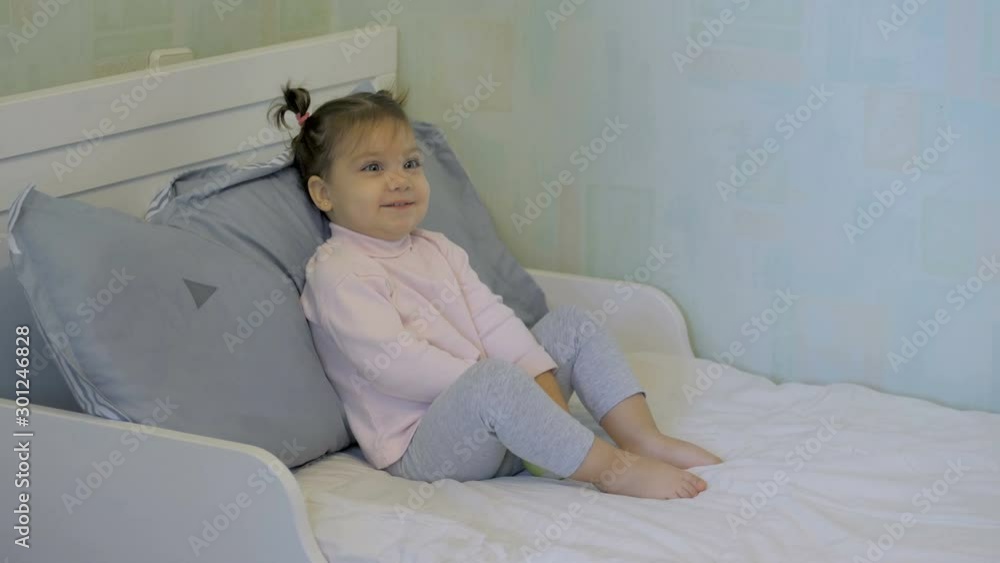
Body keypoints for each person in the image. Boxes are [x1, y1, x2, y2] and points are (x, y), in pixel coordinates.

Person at [272, 84, 722, 499]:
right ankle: (611, 469)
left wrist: (540, 387)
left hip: (503, 418)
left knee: (570, 324)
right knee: (493, 380)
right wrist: (505, 384)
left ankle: (641, 438)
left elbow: (493, 321)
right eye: (373, 168)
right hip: (426, 444)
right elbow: (394, 365)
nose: (399, 179)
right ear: (324, 194)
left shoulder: (436, 248)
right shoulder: (340, 272)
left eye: (410, 163)